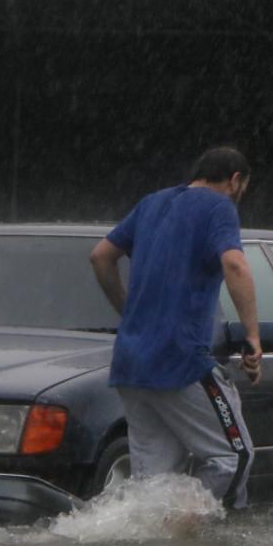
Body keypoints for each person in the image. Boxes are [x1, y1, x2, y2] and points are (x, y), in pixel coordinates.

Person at [89, 146, 262, 510]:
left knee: (152, 483)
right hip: (181, 359)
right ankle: (195, 536)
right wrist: (253, 335)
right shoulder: (219, 207)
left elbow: (101, 256)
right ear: (234, 181)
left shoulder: (151, 203)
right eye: (244, 187)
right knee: (234, 457)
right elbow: (235, 266)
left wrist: (129, 310)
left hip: (131, 363)